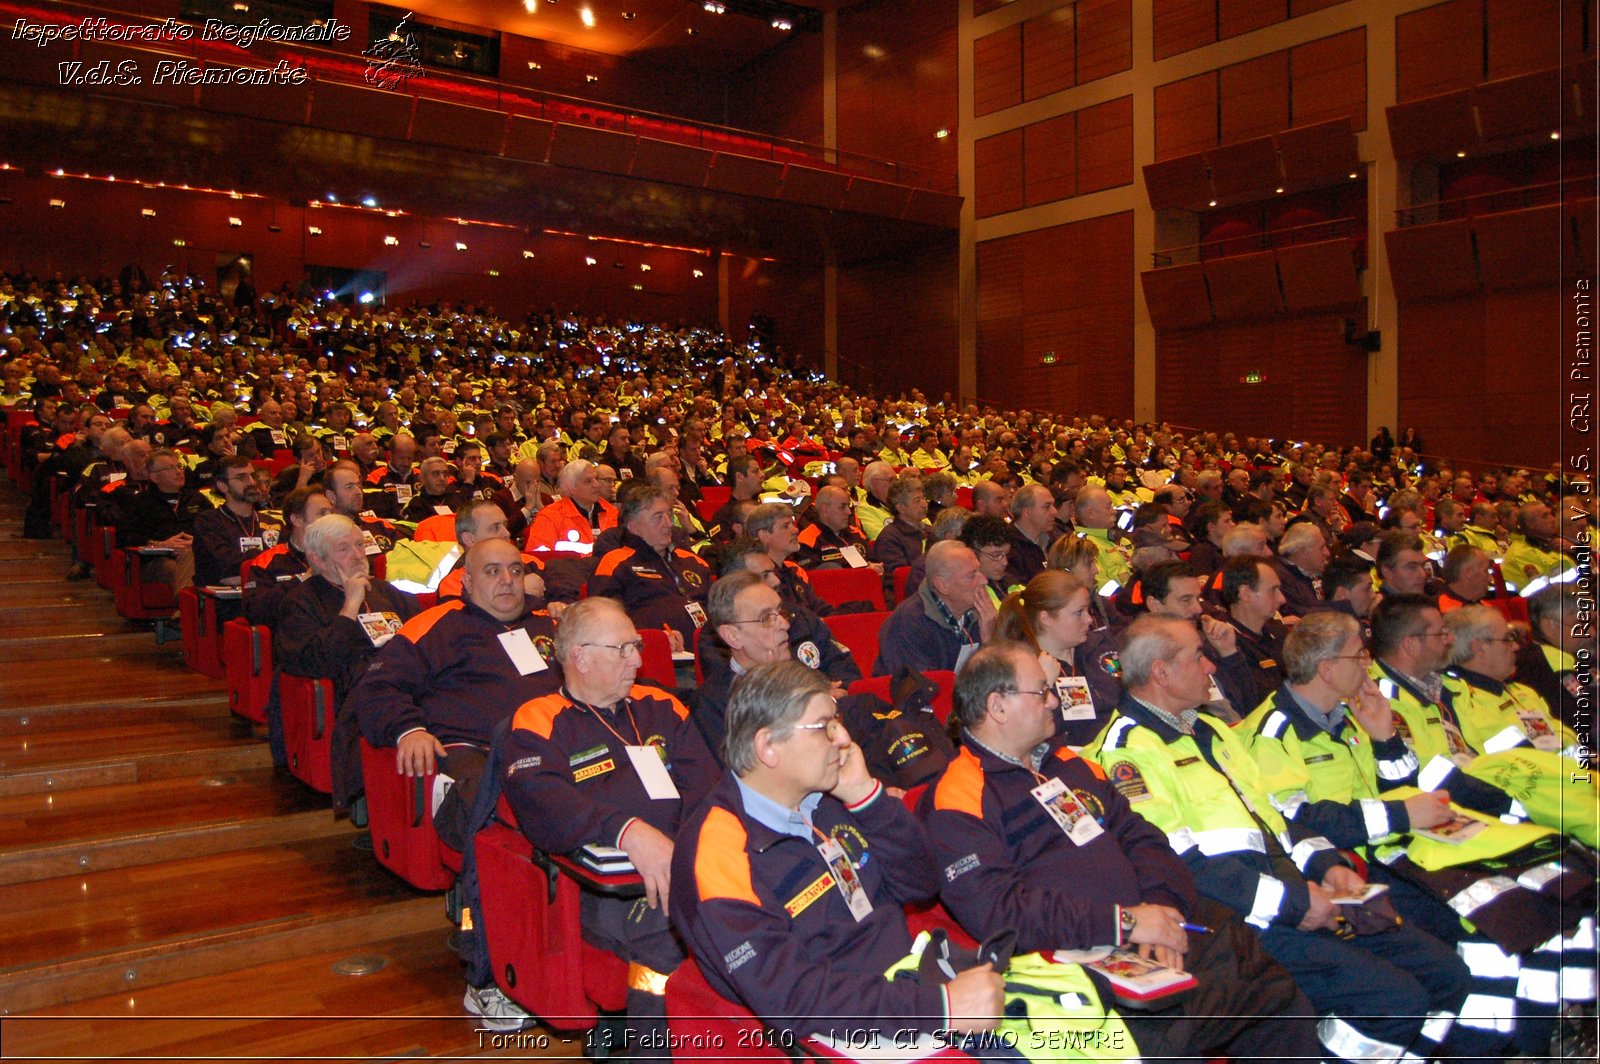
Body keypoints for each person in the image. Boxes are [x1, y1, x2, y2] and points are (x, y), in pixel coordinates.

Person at [1083, 615, 1480, 1064]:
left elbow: (1275, 819)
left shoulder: (1208, 729)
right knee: (1394, 1000)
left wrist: (1329, 866)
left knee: (1445, 972)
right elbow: (1182, 868)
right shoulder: (1126, 751)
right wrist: (1296, 903)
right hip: (1234, 923)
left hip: (1293, 894)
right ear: (1161, 672)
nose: (1211, 667)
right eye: (1198, 657)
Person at [923, 642, 1320, 1064]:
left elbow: (1146, 840)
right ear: (997, 706)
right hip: (1080, 963)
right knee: (1171, 1032)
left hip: (1150, 934)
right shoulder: (958, 796)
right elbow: (1001, 912)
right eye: (1041, 692)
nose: (1054, 700)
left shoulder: (1071, 766)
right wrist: (1126, 924)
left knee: (1277, 994)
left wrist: (1163, 914)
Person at [1240, 610, 1589, 1057]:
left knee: (1539, 914)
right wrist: (1400, 815)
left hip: (1404, 852)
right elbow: (1299, 822)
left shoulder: (1350, 713)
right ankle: (1470, 1050)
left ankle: (1518, 1045)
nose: (1367, 664)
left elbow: (1401, 781)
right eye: (1358, 655)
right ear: (1327, 669)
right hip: (1346, 870)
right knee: (1488, 949)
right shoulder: (1274, 731)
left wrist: (1384, 737)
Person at [670, 660, 1007, 1045]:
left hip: (905, 987)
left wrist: (867, 797)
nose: (844, 738)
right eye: (824, 727)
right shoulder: (715, 850)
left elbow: (921, 884)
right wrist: (939, 1008)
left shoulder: (824, 798)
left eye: (837, 722)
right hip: (843, 1032)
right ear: (768, 747)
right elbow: (794, 999)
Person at [495, 597, 690, 1047]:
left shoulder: (661, 705)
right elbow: (549, 810)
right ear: (579, 656)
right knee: (672, 934)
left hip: (687, 864)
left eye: (636, 646)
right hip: (603, 886)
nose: (638, 660)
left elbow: (707, 786)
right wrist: (627, 830)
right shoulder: (538, 721)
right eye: (622, 649)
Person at [350, 538, 559, 850]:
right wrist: (408, 729)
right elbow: (377, 687)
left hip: (556, 745)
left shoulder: (552, 624)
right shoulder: (436, 626)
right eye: (492, 571)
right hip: (477, 752)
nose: (507, 580)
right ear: (467, 581)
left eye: (515, 571)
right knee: (494, 803)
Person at [1369, 594, 1597, 848]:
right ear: (1411, 645)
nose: (1449, 639)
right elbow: (1429, 776)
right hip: (1451, 817)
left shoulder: (1451, 688)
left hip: (1500, 793)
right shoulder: (1381, 703)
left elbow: (1480, 756)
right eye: (1440, 634)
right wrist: (1512, 806)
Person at [275, 514, 420, 811]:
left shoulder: (386, 592)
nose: (357, 555)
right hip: (357, 694)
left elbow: (423, 637)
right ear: (319, 559)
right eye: (344, 549)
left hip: (406, 681)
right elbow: (318, 663)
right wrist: (350, 606)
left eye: (360, 544)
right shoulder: (300, 602)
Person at [993, 570, 1119, 746]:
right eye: (1078, 612)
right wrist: (1041, 685)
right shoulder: (1022, 669)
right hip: (1074, 759)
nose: (1089, 619)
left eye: (1088, 610)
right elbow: (1019, 738)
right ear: (1046, 618)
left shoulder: (1101, 646)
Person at [587, 485, 711, 650]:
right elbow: (605, 622)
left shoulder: (692, 560)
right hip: (660, 658)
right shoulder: (617, 563)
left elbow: (721, 610)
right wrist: (653, 640)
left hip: (713, 653)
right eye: (658, 517)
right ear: (634, 527)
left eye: (669, 515)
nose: (668, 524)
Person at [873, 541, 993, 676]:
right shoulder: (908, 623)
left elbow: (1000, 680)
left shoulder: (982, 614)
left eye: (980, 571)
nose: (984, 580)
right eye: (972, 575)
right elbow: (923, 691)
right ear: (942, 585)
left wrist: (989, 639)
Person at [192, 455, 284, 599]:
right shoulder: (208, 522)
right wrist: (266, 559)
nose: (252, 482)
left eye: (252, 476)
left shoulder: (273, 523)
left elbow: (286, 562)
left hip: (267, 597)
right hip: (224, 604)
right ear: (223, 486)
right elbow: (224, 563)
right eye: (242, 478)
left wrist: (245, 575)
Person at [1218, 556, 1287, 705]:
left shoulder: (1280, 635)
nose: (1282, 599)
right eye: (1273, 590)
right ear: (1246, 594)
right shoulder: (1225, 646)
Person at [524, 459, 617, 554]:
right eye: (588, 481)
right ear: (571, 488)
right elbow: (537, 558)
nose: (596, 485)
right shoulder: (549, 517)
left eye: (596, 479)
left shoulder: (613, 513)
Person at [794, 485, 869, 570]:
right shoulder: (807, 540)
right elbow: (814, 578)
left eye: (848, 506)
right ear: (825, 510)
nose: (848, 512)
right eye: (842, 507)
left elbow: (873, 561)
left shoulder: (856, 533)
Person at [1004, 484, 1056, 589]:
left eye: (1053, 505)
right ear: (1027, 513)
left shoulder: (1054, 539)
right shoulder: (1008, 548)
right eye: (1047, 507)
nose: (1054, 512)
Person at [1273, 522, 1329, 619]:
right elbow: (1299, 614)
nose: (1327, 553)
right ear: (1303, 552)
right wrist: (1338, 608)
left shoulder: (1320, 571)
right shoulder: (1280, 578)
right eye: (1321, 548)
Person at [1436, 544, 1493, 611]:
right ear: (1468, 573)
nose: (1490, 578)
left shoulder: (1487, 608)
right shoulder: (1438, 611)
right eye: (1485, 571)